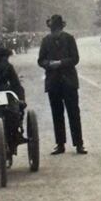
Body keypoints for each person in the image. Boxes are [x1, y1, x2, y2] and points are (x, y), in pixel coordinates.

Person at [38, 15, 85, 155]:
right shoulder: (45, 40)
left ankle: (79, 144)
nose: (55, 30)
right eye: (53, 28)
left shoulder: (69, 39)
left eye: (56, 28)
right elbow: (41, 60)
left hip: (69, 81)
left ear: (61, 27)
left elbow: (75, 58)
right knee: (57, 114)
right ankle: (60, 144)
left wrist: (60, 63)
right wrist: (49, 64)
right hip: (53, 82)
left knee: (74, 113)